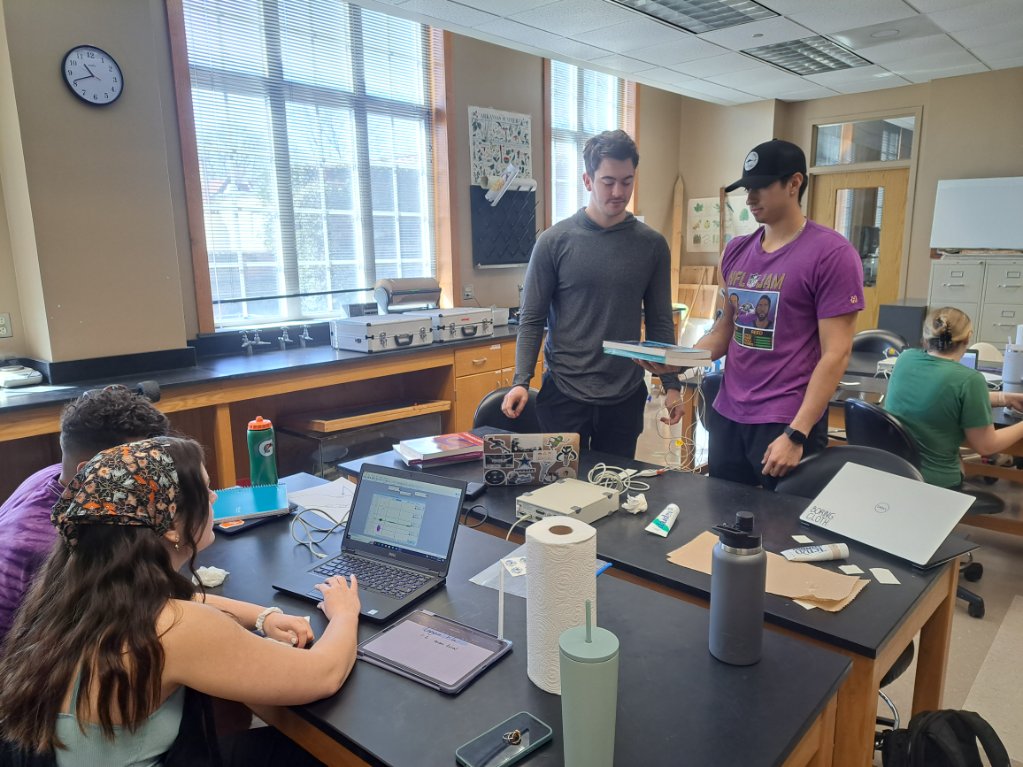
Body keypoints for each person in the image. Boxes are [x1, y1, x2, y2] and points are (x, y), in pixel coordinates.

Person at [0, 437, 359, 766]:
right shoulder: (176, 627)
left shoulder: (66, 591)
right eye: (206, 489)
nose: (215, 497)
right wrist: (345, 612)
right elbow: (324, 674)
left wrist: (261, 617)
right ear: (171, 525)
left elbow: (169, 602)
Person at [641, 139, 864, 488]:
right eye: (747, 188)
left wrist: (797, 433)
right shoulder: (736, 252)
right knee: (723, 525)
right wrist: (678, 360)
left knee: (782, 532)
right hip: (729, 415)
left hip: (785, 420)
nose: (749, 198)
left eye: (760, 187)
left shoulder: (832, 254)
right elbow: (724, 330)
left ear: (794, 184)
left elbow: (837, 353)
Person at [501, 129, 681, 459]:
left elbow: (659, 322)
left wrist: (671, 386)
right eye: (608, 181)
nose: (618, 191)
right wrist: (520, 381)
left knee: (615, 491)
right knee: (560, 492)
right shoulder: (554, 242)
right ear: (587, 180)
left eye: (627, 181)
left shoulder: (652, 246)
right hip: (564, 394)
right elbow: (532, 320)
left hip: (624, 395)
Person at [0, 385, 171, 643]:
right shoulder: (60, 538)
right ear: (89, 472)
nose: (152, 482)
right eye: (140, 471)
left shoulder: (53, 476)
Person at [885, 307, 1023, 489]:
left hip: (894, 471)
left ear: (925, 338)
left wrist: (1003, 398)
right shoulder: (969, 380)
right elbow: (987, 447)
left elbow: (945, 395)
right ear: (968, 337)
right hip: (936, 482)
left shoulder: (905, 359)